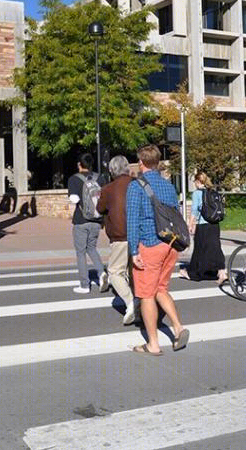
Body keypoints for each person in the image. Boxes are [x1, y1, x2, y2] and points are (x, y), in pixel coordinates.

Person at [126, 144, 189, 355]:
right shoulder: (168, 186)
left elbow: (132, 222)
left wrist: (134, 251)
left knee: (146, 294)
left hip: (150, 243)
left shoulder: (136, 187)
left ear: (141, 162)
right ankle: (178, 328)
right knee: (162, 289)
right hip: (170, 244)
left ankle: (153, 344)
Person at [96, 155, 137, 325]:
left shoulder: (108, 189)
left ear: (112, 170)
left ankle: (130, 302)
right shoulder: (137, 184)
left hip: (120, 235)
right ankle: (140, 301)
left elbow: (99, 209)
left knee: (114, 272)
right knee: (133, 271)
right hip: (138, 234)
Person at [68, 153, 107, 294]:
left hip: (81, 220)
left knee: (80, 252)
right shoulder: (100, 178)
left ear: (79, 164)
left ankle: (84, 285)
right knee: (92, 248)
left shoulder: (74, 179)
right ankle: (101, 273)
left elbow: (74, 199)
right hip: (96, 220)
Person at [181, 172, 227, 284]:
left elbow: (194, 211)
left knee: (200, 249)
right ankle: (222, 272)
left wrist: (190, 224)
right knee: (215, 247)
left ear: (197, 181)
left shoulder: (197, 193)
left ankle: (194, 272)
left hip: (203, 224)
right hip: (214, 224)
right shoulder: (213, 192)